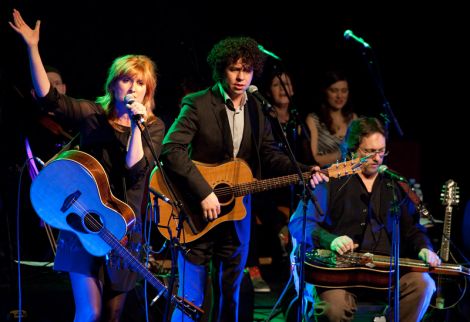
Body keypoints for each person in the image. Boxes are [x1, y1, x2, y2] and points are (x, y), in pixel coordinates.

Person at [10, 9, 165, 321]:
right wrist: (32, 48)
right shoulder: (93, 115)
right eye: (126, 79)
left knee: (112, 313)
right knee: (90, 312)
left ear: (148, 91)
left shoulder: (153, 127)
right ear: (113, 85)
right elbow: (50, 99)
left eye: (140, 82)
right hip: (84, 222)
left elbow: (135, 169)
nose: (132, 87)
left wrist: (137, 126)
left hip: (125, 230)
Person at [160, 36, 327, 321]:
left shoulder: (257, 108)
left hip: (237, 213)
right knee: (192, 297)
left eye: (246, 70)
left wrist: (302, 170)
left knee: (231, 293)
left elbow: (269, 154)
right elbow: (171, 150)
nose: (240, 76)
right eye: (234, 69)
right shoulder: (198, 104)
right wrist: (204, 192)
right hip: (196, 210)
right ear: (220, 70)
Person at [289, 117, 440, 322]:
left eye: (381, 151)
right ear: (352, 151)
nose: (377, 158)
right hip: (339, 276)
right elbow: (299, 223)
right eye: (369, 152)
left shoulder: (393, 184)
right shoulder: (332, 180)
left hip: (383, 273)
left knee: (424, 285)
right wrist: (330, 240)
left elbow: (412, 229)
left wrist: (424, 248)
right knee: (333, 309)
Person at [305, 70, 357, 167]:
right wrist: (343, 153)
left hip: (350, 176)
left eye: (344, 91)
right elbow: (315, 160)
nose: (340, 96)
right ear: (325, 91)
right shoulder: (313, 119)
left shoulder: (353, 118)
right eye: (334, 91)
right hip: (325, 176)